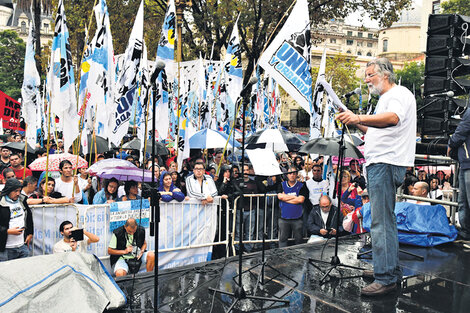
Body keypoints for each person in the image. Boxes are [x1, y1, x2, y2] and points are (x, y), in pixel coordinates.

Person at [337, 57, 416, 296]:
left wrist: (359, 117)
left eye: (370, 75)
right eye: (366, 75)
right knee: (383, 220)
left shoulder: (398, 94)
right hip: (381, 163)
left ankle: (386, 277)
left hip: (386, 163)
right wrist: (353, 119)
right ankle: (386, 268)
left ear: (386, 75)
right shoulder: (385, 99)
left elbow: (392, 119)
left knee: (382, 222)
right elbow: (376, 129)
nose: (367, 80)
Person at [448, 106, 470, 240]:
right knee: (464, 202)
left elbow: (462, 130)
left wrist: (450, 145)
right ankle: (465, 232)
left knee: (464, 202)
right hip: (465, 162)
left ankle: (465, 232)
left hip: (467, 161)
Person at [0, 178, 34, 261]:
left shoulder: (22, 200)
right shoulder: (1, 203)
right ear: (8, 190)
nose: (18, 193)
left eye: (19, 190)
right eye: (15, 191)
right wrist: (7, 231)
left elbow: (28, 217)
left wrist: (30, 233)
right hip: (5, 248)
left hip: (22, 246)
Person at [277, 166, 308, 247]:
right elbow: (280, 197)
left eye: (294, 173)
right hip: (283, 218)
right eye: (290, 173)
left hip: (297, 218)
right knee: (283, 239)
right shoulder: (281, 185)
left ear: (296, 174)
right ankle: (282, 257)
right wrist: (295, 197)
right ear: (287, 175)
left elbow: (301, 200)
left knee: (299, 240)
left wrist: (286, 198)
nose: (292, 175)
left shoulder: (302, 185)